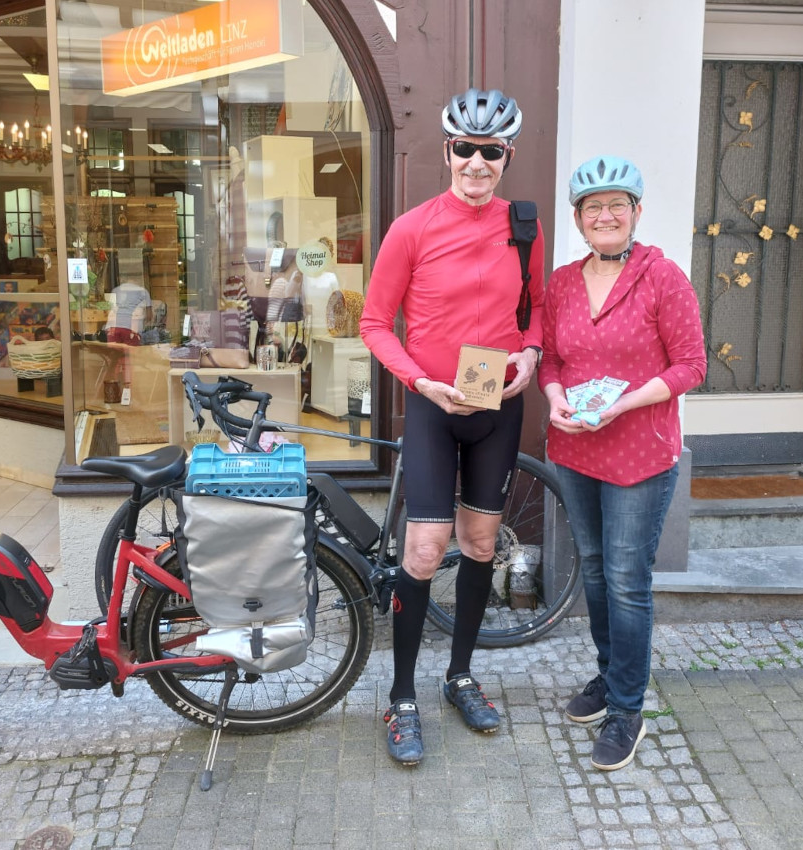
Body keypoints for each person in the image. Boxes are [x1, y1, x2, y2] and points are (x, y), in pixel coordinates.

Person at [360, 88, 545, 765]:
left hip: (497, 408)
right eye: (464, 149)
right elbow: (374, 323)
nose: (475, 161)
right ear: (447, 152)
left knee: (478, 544)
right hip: (436, 406)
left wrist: (529, 351)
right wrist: (419, 381)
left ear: (506, 156)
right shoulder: (412, 227)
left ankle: (459, 675)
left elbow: (536, 311)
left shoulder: (523, 225)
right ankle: (401, 696)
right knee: (423, 552)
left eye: (489, 151)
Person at [538, 156, 706, 771]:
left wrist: (624, 404)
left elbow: (691, 366)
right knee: (594, 569)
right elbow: (552, 359)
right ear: (579, 220)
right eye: (592, 208)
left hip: (639, 452)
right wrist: (555, 398)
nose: (604, 216)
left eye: (616, 205)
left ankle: (628, 708)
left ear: (635, 213)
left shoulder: (663, 278)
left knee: (627, 581)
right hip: (578, 447)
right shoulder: (562, 282)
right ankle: (610, 678)